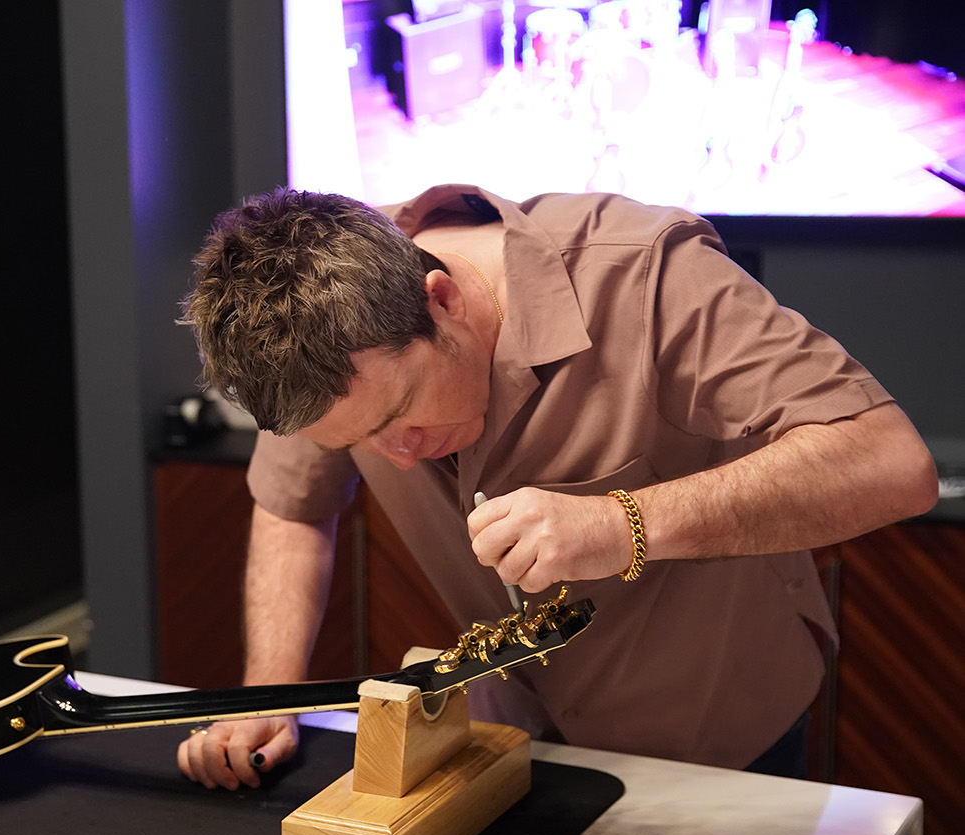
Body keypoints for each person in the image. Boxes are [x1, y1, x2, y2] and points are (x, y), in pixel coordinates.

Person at [174, 184, 938, 790]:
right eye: (358, 442)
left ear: (443, 301)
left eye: (403, 415)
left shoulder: (644, 272)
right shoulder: (310, 324)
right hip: (520, 737)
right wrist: (268, 698)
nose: (397, 459)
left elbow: (889, 463)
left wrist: (624, 524)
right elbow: (292, 506)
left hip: (724, 733)